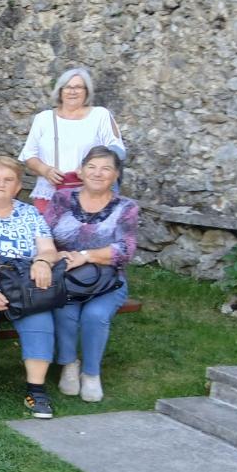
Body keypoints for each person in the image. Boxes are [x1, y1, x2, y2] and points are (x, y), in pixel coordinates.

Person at [0, 156, 64, 419]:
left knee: (39, 316)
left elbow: (48, 249)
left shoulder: (29, 213)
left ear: (18, 186)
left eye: (8, 180)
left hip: (21, 287)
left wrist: (42, 261)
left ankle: (36, 390)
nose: (1, 184)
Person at [43, 146, 138, 403]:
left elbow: (126, 249)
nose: (98, 173)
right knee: (65, 311)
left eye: (106, 168)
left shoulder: (126, 207)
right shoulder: (62, 198)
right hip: (65, 278)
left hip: (107, 280)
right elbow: (42, 233)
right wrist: (55, 254)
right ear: (81, 171)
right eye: (92, 167)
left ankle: (91, 373)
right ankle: (69, 364)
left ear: (116, 175)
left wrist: (85, 256)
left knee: (95, 316)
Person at [19, 67, 125, 213]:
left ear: (86, 91)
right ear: (60, 91)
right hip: (49, 193)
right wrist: (46, 170)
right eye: (68, 87)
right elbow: (29, 155)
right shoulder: (43, 119)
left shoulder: (100, 116)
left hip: (89, 194)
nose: (72, 91)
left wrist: (88, 168)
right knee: (47, 228)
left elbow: (117, 150)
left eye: (78, 87)